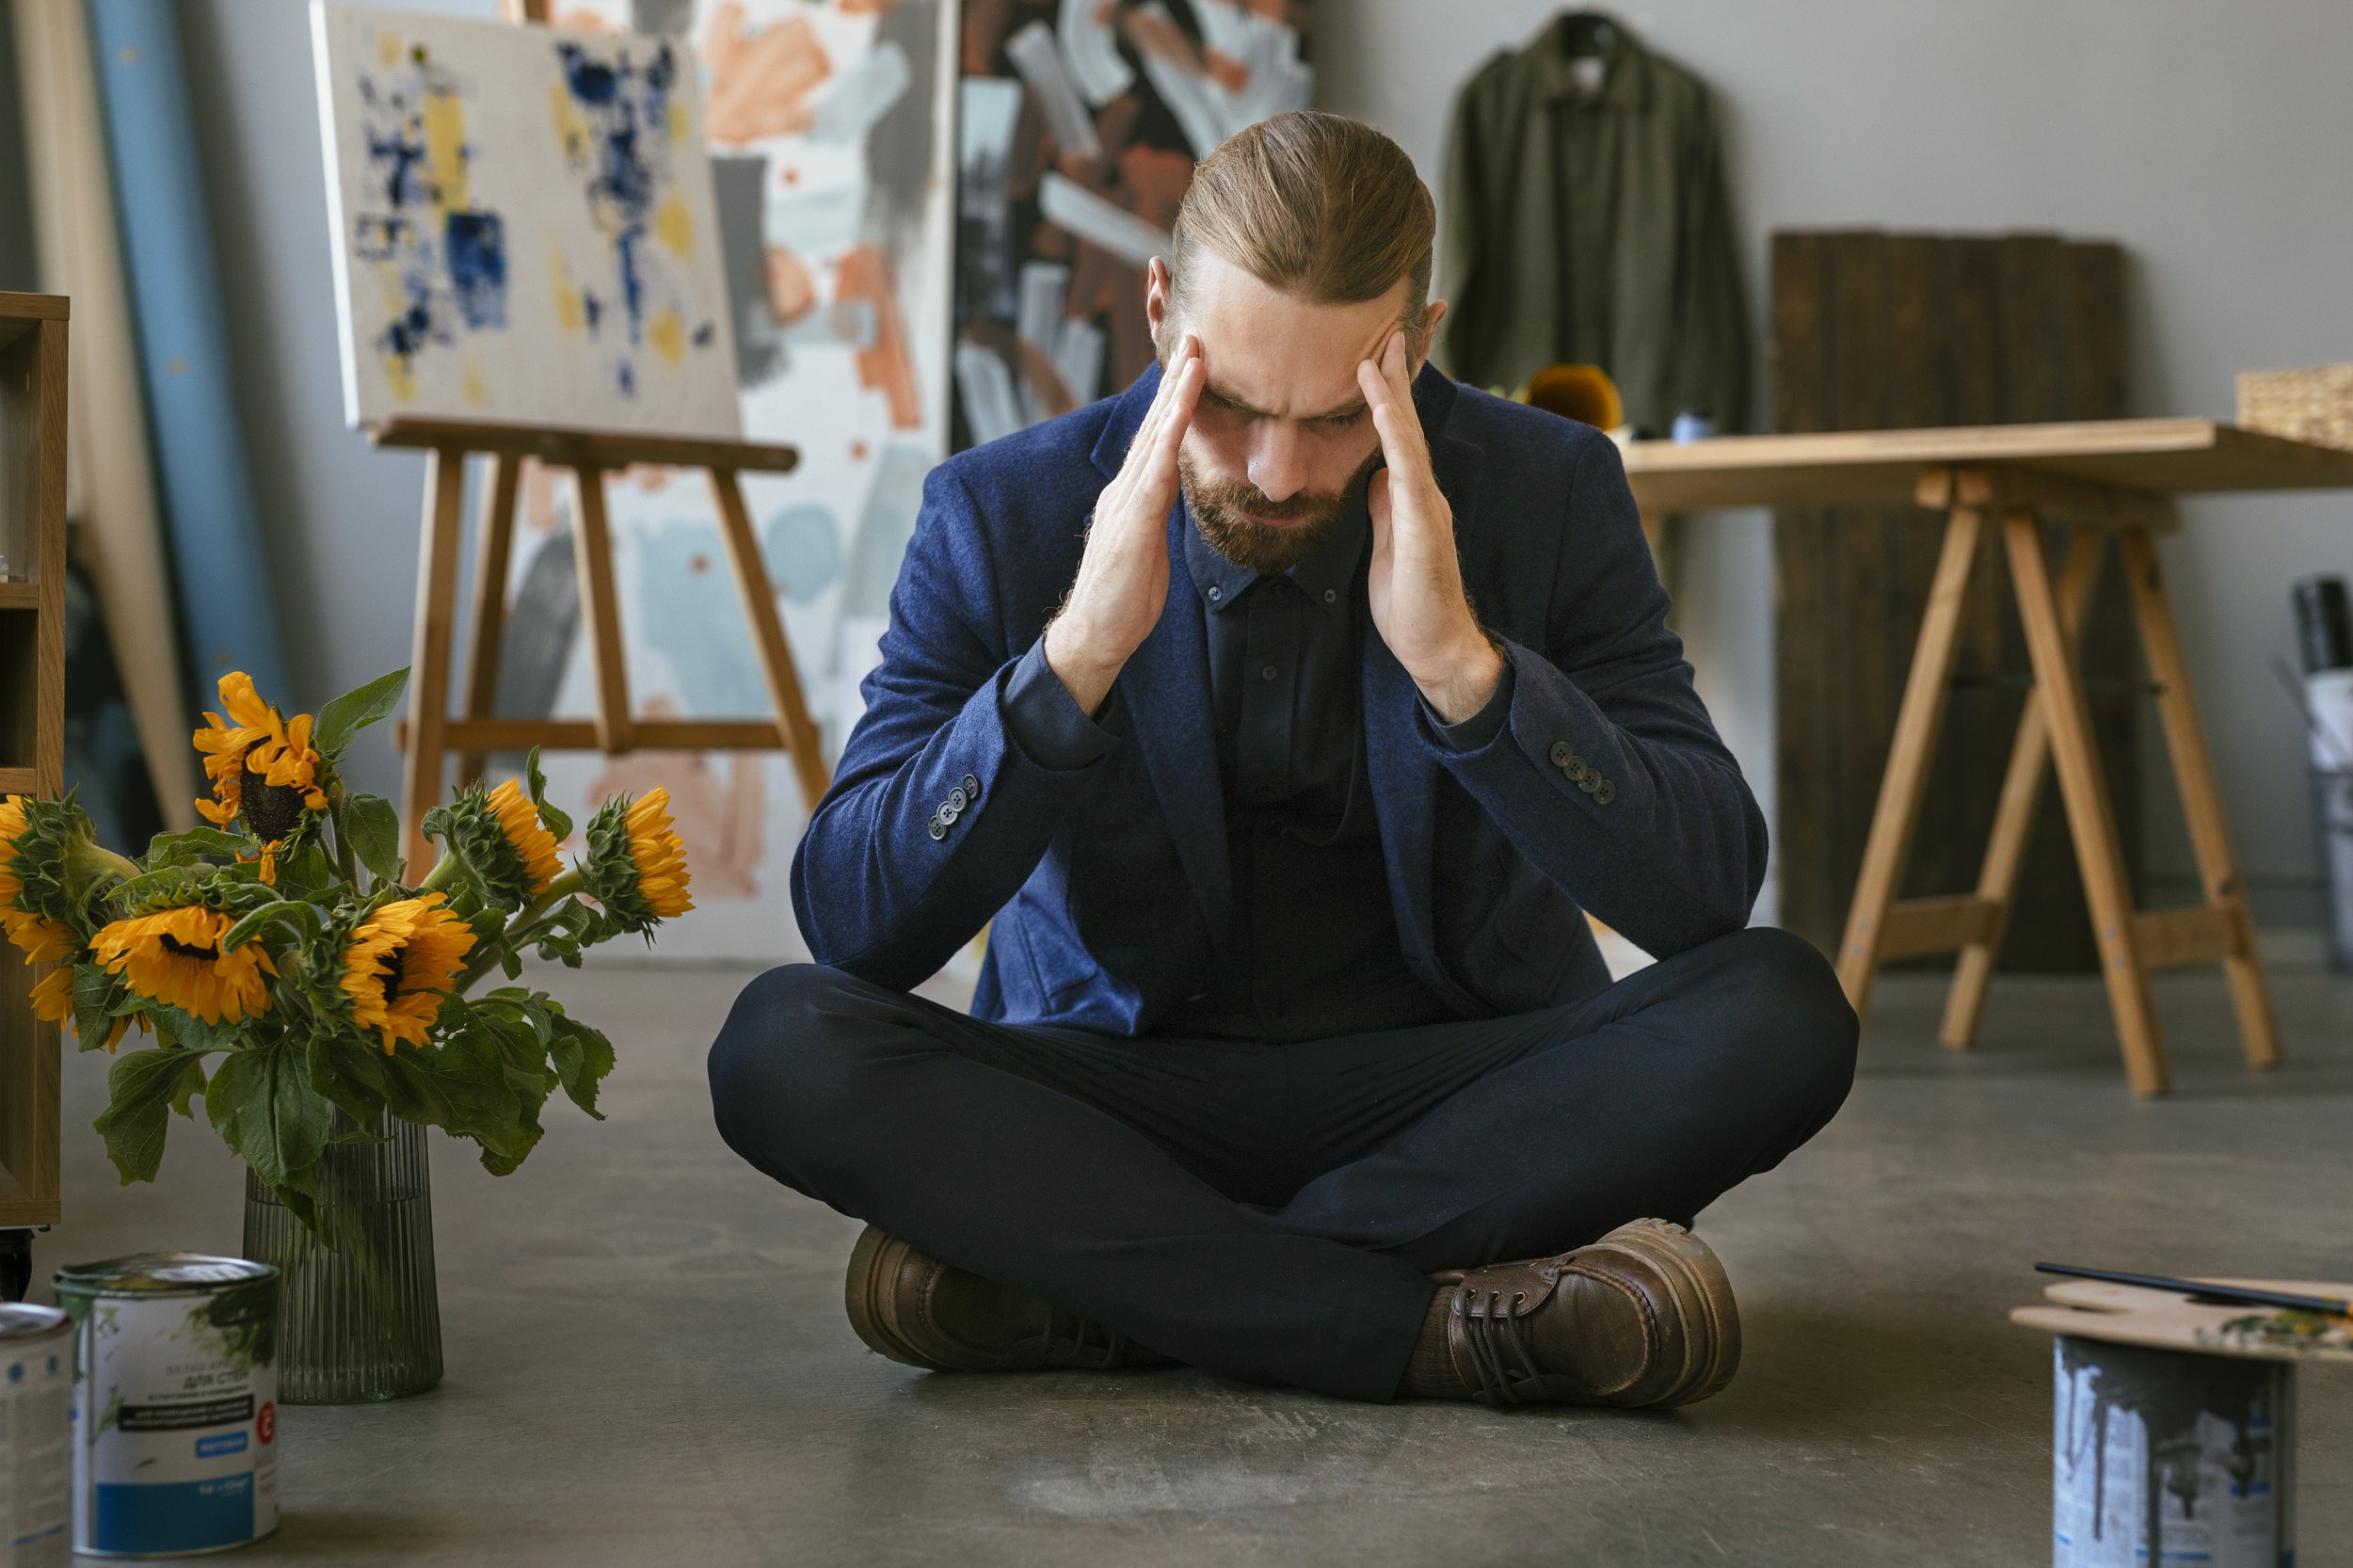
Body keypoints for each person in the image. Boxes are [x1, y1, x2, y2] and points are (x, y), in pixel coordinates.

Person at [708, 111, 1857, 1409]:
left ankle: (1114, 1289)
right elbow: (852, 924)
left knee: (1784, 1008)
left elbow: (1705, 888)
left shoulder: (1551, 488)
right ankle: (1438, 1325)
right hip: (1115, 1090)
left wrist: (1467, 677)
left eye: (1332, 418)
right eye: (1237, 405)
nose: (1274, 469)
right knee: (775, 1043)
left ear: (1418, 344)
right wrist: (1070, 661)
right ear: (1159, 310)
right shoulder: (1001, 509)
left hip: (1452, 1090)